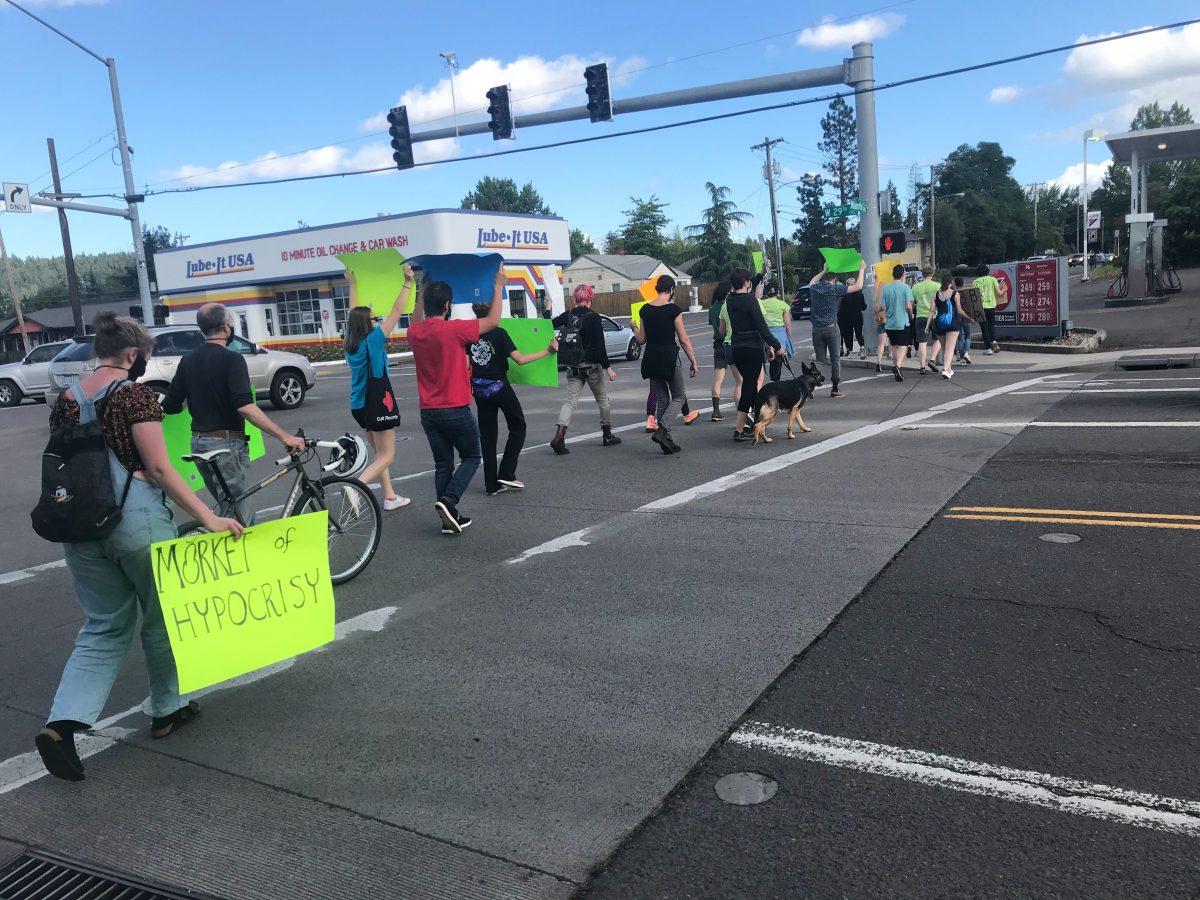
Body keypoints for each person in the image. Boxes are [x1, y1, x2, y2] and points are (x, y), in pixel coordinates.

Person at [35, 312, 243, 782]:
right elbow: (161, 468)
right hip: (134, 522)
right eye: (143, 358)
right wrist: (208, 517)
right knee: (163, 613)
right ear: (131, 355)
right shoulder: (134, 395)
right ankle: (168, 709)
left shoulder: (67, 400)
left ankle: (62, 725)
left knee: (104, 625)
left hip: (81, 525)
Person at [162, 302, 305, 523]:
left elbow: (171, 406)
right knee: (242, 520)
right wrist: (284, 436)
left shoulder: (188, 360)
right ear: (227, 328)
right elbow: (245, 406)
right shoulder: (232, 359)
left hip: (198, 444)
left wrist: (198, 396)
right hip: (225, 446)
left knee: (228, 510)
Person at [407, 269, 503, 534]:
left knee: (443, 464)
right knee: (472, 456)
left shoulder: (415, 333)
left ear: (426, 304)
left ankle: (449, 519)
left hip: (429, 411)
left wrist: (419, 291)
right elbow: (493, 321)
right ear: (448, 305)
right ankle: (449, 501)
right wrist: (498, 286)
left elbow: (415, 321)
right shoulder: (454, 330)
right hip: (455, 408)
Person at [342, 264, 414, 511]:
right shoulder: (373, 341)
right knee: (387, 456)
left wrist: (352, 285)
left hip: (359, 405)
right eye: (375, 318)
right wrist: (406, 282)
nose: (379, 321)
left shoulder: (350, 342)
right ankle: (356, 486)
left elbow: (354, 313)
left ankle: (390, 497)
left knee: (379, 457)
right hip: (377, 404)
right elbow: (397, 310)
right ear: (368, 324)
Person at [468, 302, 556, 495]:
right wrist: (547, 351)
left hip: (479, 390)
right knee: (518, 426)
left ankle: (491, 485)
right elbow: (520, 360)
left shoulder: (469, 333)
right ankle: (507, 472)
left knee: (488, 437)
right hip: (499, 387)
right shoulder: (499, 333)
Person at [549, 284, 621, 453]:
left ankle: (559, 437)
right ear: (590, 298)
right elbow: (600, 345)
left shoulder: (568, 315)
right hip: (592, 366)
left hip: (572, 365)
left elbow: (549, 324)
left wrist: (548, 311)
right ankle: (607, 435)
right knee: (603, 400)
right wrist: (608, 368)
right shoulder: (594, 317)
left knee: (570, 402)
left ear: (574, 299)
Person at [633, 275, 699, 454]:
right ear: (670, 290)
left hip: (651, 358)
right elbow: (683, 339)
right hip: (669, 357)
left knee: (662, 398)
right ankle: (663, 430)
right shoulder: (673, 309)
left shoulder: (644, 310)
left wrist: (634, 327)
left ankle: (666, 440)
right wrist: (693, 360)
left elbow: (641, 340)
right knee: (680, 396)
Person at [724, 267, 781, 441]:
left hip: (737, 348)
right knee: (749, 389)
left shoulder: (730, 300)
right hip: (752, 348)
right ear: (746, 283)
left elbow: (750, 285)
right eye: (749, 281)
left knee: (749, 385)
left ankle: (752, 424)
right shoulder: (751, 301)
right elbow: (762, 328)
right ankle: (740, 429)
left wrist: (761, 274)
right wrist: (776, 345)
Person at [809, 259, 866, 397]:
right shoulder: (835, 289)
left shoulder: (815, 288)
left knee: (820, 360)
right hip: (831, 329)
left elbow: (811, 282)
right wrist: (862, 269)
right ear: (834, 279)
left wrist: (823, 270)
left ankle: (809, 386)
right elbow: (858, 286)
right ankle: (835, 389)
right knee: (835, 359)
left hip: (816, 330)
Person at [930, 274, 970, 380]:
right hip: (953, 323)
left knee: (944, 348)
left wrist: (927, 326)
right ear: (951, 282)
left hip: (939, 323)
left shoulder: (936, 294)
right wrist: (969, 318)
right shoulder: (955, 294)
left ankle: (949, 369)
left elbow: (931, 311)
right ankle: (946, 369)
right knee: (950, 348)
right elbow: (959, 310)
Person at [879, 264, 915, 382]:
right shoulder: (906, 288)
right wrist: (911, 316)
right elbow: (908, 306)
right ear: (903, 274)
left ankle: (895, 364)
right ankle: (898, 366)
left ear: (892, 274)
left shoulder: (886, 288)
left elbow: (883, 306)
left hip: (889, 323)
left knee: (894, 345)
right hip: (902, 321)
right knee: (903, 346)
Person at [707, 280, 732, 421]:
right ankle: (747, 410)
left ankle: (716, 411)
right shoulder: (729, 306)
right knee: (741, 380)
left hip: (718, 345)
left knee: (718, 380)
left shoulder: (712, 309)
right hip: (731, 343)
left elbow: (713, 324)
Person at [760, 281, 794, 382]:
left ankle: (770, 349)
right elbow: (787, 324)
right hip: (779, 334)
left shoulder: (761, 303)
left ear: (767, 291)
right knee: (778, 362)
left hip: (765, 334)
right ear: (777, 292)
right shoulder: (783, 305)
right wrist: (788, 337)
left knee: (769, 361)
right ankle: (775, 382)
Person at [972, 263, 1007, 354]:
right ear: (987, 271)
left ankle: (988, 348)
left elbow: (974, 297)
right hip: (992, 306)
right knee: (991, 326)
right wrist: (1004, 289)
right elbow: (999, 293)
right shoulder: (993, 279)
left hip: (981, 307)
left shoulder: (976, 282)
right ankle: (994, 341)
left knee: (984, 328)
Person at [911, 266, 941, 372]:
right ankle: (932, 359)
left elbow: (912, 303)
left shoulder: (915, 287)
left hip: (920, 316)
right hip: (935, 316)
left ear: (922, 275)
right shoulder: (937, 286)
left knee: (922, 343)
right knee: (938, 339)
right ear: (932, 274)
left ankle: (922, 367)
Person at [837, 287, 867, 359]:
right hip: (858, 317)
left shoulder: (844, 295)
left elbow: (841, 309)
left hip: (847, 318)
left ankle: (850, 353)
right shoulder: (860, 294)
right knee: (859, 334)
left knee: (849, 335)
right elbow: (864, 307)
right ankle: (862, 347)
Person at [952, 275, 976, 365]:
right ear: (963, 283)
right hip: (966, 315)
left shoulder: (952, 293)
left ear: (955, 283)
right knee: (968, 335)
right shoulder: (967, 293)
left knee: (959, 337)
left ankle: (961, 356)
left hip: (956, 316)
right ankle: (967, 352)